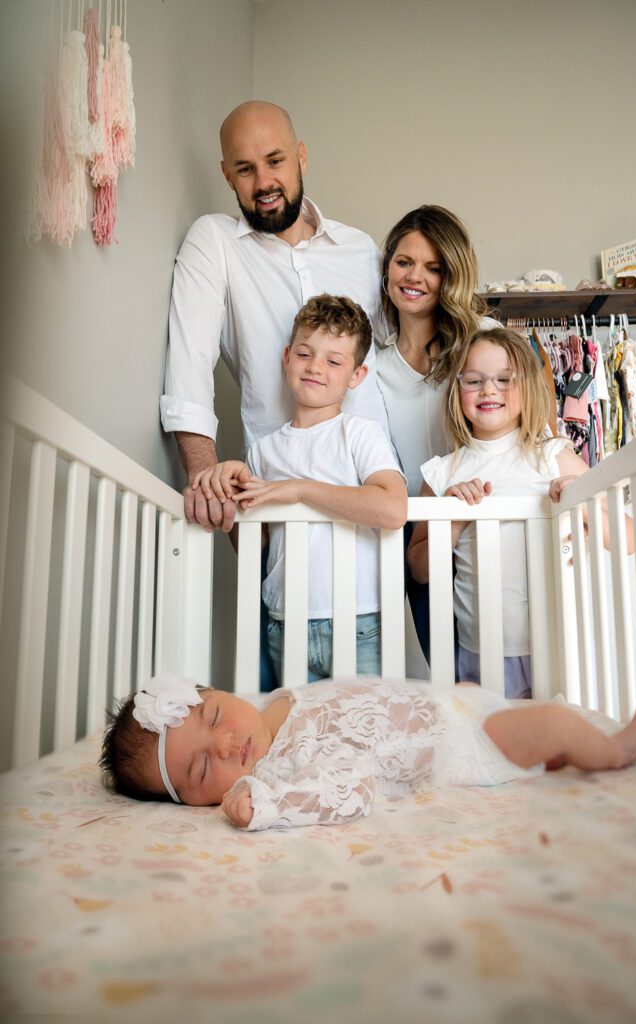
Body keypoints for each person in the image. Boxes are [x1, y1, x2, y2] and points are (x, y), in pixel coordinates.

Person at [160, 100, 390, 534]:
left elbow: (401, 355)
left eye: (276, 161)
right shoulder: (215, 242)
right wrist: (205, 479)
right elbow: (189, 367)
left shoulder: (359, 249)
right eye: (245, 169)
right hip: (275, 501)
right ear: (226, 174)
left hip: (372, 494)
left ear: (301, 156)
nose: (264, 182)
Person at [99, 674, 636, 830]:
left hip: (448, 704)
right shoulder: (277, 773)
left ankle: (552, 757)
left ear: (219, 692)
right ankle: (613, 750)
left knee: (516, 716)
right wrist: (265, 804)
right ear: (194, 805)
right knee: (554, 721)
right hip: (459, 744)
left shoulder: (272, 702)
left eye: (216, 715)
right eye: (203, 769)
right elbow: (351, 793)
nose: (225, 743)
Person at [407, 327, 636, 698]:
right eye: (474, 380)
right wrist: (453, 516)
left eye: (504, 379)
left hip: (560, 643)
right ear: (457, 389)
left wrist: (580, 504)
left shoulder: (552, 455)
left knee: (560, 746)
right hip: (480, 650)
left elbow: (627, 537)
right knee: (490, 748)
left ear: (527, 387)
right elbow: (419, 570)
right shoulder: (441, 473)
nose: (488, 390)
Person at [192, 294, 407, 684]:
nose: (315, 368)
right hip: (285, 622)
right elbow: (253, 546)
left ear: (356, 375)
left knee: (368, 738)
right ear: (287, 357)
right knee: (297, 739)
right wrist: (231, 491)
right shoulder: (263, 450)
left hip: (357, 622)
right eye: (305, 354)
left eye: (334, 361)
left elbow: (392, 508)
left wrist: (300, 490)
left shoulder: (359, 433)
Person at [375, 206, 499, 662]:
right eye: (404, 262)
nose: (415, 277)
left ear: (453, 276)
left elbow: (538, 435)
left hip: (480, 519)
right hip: (413, 531)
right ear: (387, 266)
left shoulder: (485, 338)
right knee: (447, 673)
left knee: (501, 668)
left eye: (434, 268)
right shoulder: (371, 359)